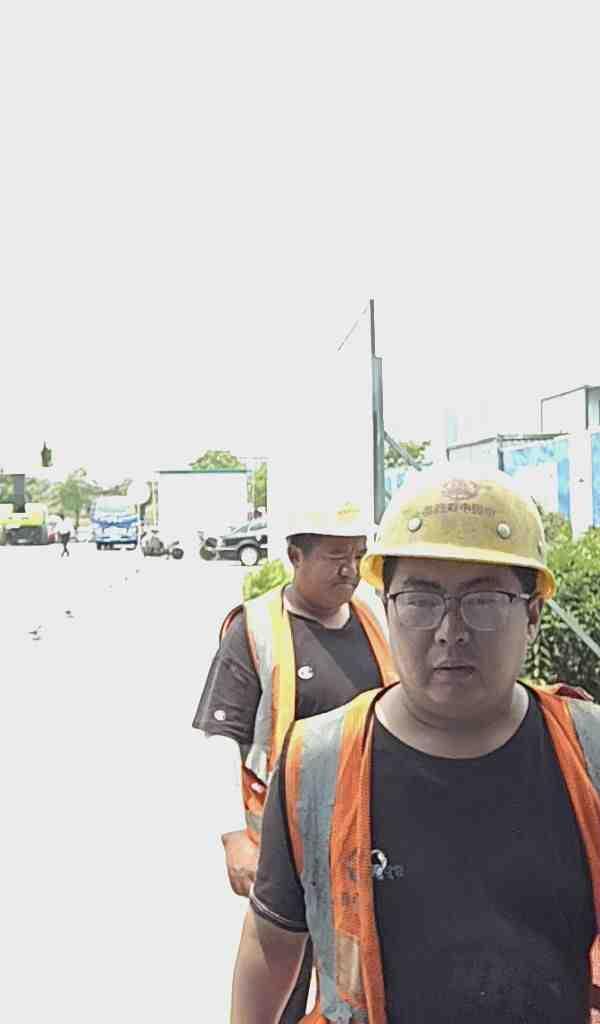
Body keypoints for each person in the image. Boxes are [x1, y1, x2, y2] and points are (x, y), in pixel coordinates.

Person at [231, 464, 600, 1024]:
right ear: (388, 605)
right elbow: (272, 943)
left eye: (483, 600)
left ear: (532, 614)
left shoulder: (588, 751)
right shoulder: (318, 762)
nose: (450, 631)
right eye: (421, 600)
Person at [193, 502, 396, 1023]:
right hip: (289, 842)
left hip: (368, 834)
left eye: (357, 555)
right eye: (335, 557)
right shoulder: (256, 628)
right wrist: (233, 838)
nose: (350, 570)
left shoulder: (373, 619)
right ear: (294, 556)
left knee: (364, 977)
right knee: (283, 975)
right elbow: (221, 736)